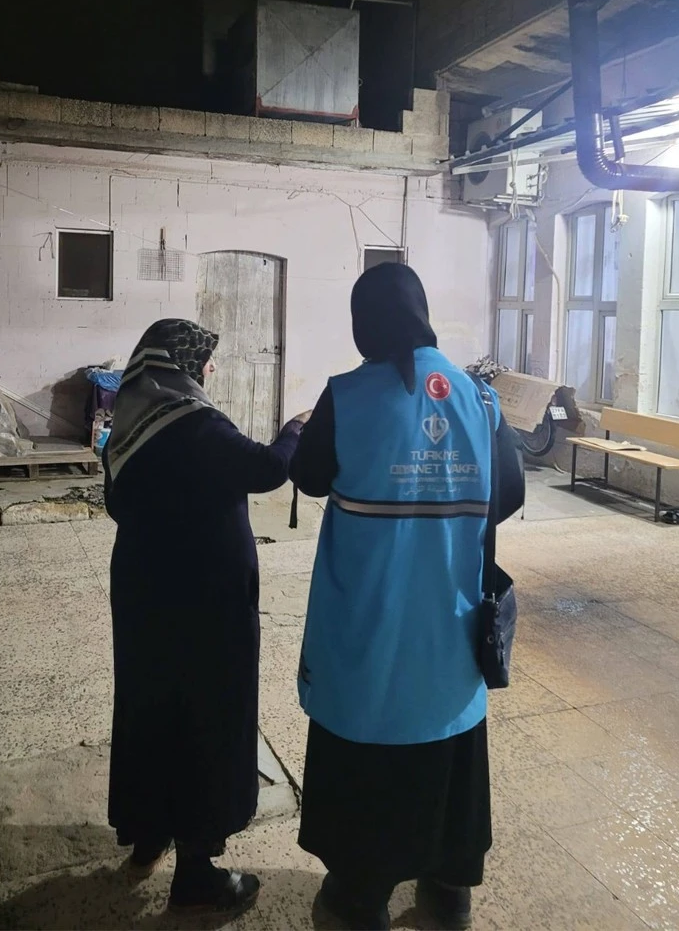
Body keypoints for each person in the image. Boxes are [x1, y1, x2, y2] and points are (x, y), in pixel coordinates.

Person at [290, 264, 525, 931]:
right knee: (448, 757)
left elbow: (308, 476)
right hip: (451, 638)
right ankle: (448, 894)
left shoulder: (346, 397)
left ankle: (360, 896)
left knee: (365, 762)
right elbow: (510, 492)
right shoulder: (479, 399)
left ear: (363, 323)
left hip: (366, 634)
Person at [103, 319, 309, 918]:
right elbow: (267, 469)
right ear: (182, 365)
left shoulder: (129, 425)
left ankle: (149, 832)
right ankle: (196, 873)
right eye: (204, 359)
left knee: (151, 705)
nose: (210, 369)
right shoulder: (195, 424)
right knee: (206, 713)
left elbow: (117, 504)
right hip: (203, 602)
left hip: (144, 595)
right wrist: (295, 429)